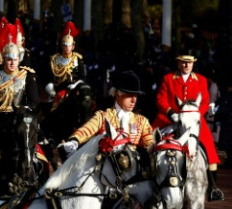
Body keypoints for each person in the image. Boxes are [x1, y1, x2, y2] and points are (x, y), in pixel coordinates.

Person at [153, 54, 223, 200]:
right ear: (178, 63)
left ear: (193, 64)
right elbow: (160, 99)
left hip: (193, 120)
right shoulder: (168, 79)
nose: (187, 66)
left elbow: (204, 102)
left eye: (189, 63)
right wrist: (170, 112)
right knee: (151, 142)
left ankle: (212, 187)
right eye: (184, 63)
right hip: (169, 119)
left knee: (209, 147)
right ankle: (150, 178)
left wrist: (195, 115)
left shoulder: (202, 80)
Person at [0, 41, 40, 185]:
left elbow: (34, 101)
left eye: (15, 60)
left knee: (39, 148)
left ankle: (41, 176)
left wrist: (24, 113)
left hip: (21, 121)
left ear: (19, 60)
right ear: (3, 59)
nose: (12, 63)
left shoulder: (27, 75)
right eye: (9, 59)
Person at [63, 70, 154, 155]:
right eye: (129, 95)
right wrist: (75, 140)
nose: (134, 100)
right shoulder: (102, 117)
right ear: (118, 94)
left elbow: (150, 142)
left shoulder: (142, 121)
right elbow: (86, 131)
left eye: (136, 96)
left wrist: (154, 146)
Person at [46, 21, 86, 111]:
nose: (67, 48)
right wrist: (53, 93)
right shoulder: (55, 59)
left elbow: (82, 77)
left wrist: (75, 85)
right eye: (64, 45)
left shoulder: (78, 59)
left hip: (74, 90)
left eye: (69, 45)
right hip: (57, 92)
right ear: (61, 46)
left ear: (73, 46)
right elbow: (49, 78)